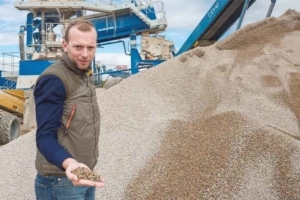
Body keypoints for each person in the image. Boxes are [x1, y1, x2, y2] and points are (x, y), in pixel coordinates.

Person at [33, 19, 104, 200]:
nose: (85, 54)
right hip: (60, 181)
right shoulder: (54, 80)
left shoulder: (83, 74)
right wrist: (70, 163)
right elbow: (44, 137)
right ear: (65, 45)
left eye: (91, 47)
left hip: (84, 174)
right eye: (78, 47)